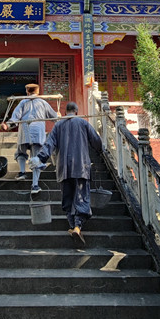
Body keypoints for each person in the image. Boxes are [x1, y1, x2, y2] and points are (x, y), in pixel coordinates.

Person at [31, 101, 103, 247]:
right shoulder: (83, 123)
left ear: (65, 112)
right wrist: (99, 150)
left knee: (68, 199)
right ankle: (77, 226)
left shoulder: (58, 125)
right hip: (81, 167)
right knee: (81, 197)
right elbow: (96, 141)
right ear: (76, 111)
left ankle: (71, 225)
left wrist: (40, 158)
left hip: (63, 168)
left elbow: (49, 144)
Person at [0, 83, 58, 193]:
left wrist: (7, 125)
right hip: (38, 133)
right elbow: (55, 117)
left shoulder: (23, 102)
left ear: (27, 92)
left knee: (20, 152)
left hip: (25, 131)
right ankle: (35, 185)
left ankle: (22, 172)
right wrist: (59, 117)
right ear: (38, 92)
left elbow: (15, 118)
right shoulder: (43, 103)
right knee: (36, 158)